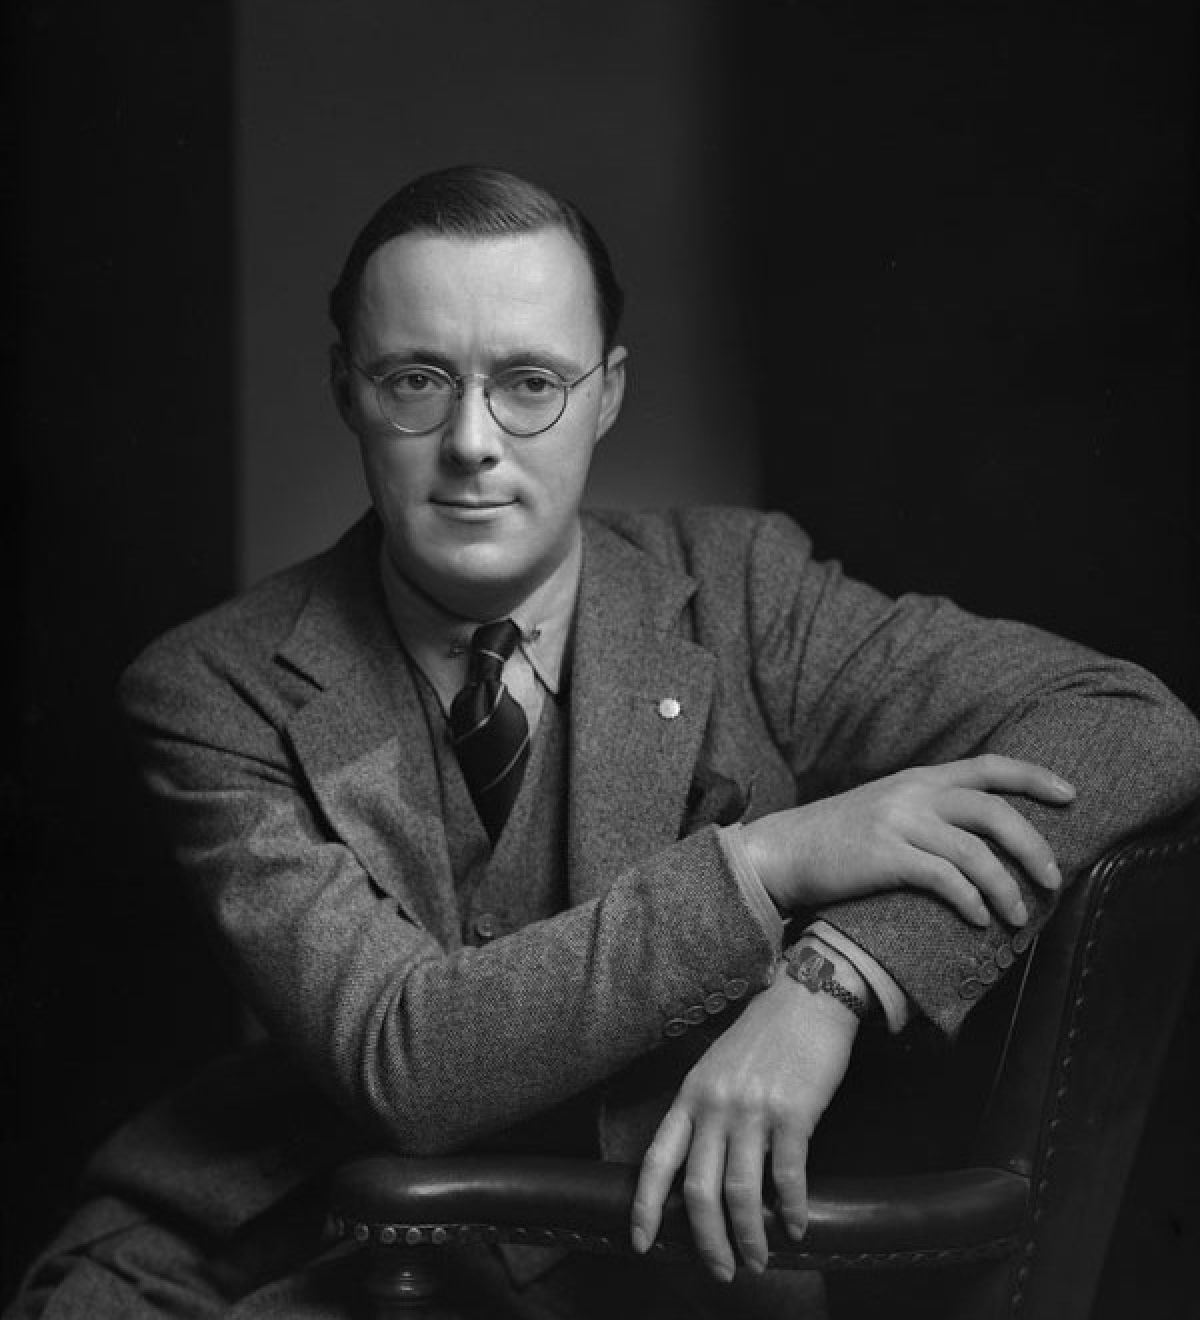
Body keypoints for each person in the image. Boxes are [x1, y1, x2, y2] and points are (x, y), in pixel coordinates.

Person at [9, 164, 1200, 1320]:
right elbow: (404, 1064)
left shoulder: (745, 593)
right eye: (417, 379)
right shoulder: (212, 685)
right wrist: (768, 863)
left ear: (608, 392)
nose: (472, 441)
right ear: (345, 390)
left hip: (640, 1266)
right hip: (256, 1244)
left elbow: (1130, 727)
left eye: (530, 382)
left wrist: (833, 980)